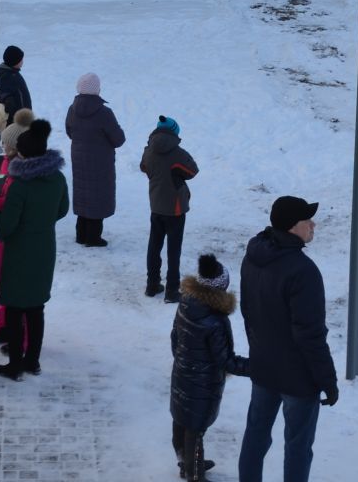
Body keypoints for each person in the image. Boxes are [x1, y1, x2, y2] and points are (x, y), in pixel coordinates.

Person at [237, 196, 337, 482]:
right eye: (307, 221)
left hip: (264, 367)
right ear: (294, 227)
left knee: (256, 435)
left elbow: (248, 311)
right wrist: (327, 380)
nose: (313, 225)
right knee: (298, 447)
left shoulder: (253, 256)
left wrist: (258, 351)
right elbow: (310, 335)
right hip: (298, 378)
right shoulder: (303, 271)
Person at [0, 119, 69, 379]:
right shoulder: (57, 178)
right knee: (36, 309)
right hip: (45, 250)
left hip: (18, 255)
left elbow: (5, 229)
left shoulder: (20, 186)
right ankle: (32, 361)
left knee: (14, 310)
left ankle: (14, 365)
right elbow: (62, 210)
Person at [171, 253, 249, 482]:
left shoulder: (186, 302)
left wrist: (183, 362)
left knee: (182, 420)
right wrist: (258, 367)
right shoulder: (215, 321)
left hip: (182, 375)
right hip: (203, 385)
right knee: (196, 430)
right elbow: (226, 361)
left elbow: (175, 337)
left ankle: (186, 462)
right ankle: (194, 473)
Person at [0, 108, 37, 349]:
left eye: (7, 145)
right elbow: (5, 188)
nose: (3, 148)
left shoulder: (29, 170)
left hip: (19, 237)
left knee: (19, 288)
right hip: (3, 233)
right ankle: (1, 327)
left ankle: (21, 336)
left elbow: (20, 202)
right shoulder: (7, 162)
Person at [142, 115, 200, 303]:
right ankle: (172, 291)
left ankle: (152, 285)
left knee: (154, 245)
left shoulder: (149, 150)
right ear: (174, 132)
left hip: (156, 205)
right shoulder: (178, 153)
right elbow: (192, 171)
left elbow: (144, 167)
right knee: (173, 250)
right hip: (175, 208)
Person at [66, 72, 127, 247]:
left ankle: (81, 234)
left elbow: (70, 131)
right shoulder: (104, 113)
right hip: (100, 161)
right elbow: (118, 139)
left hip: (78, 157)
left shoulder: (72, 109)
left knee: (83, 191)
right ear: (97, 90)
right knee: (97, 195)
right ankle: (93, 237)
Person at [0, 44, 31, 131]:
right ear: (14, 61)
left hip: (22, 117)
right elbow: (0, 93)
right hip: (16, 119)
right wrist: (8, 99)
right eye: (21, 60)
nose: (22, 61)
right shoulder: (9, 76)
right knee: (13, 141)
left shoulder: (12, 74)